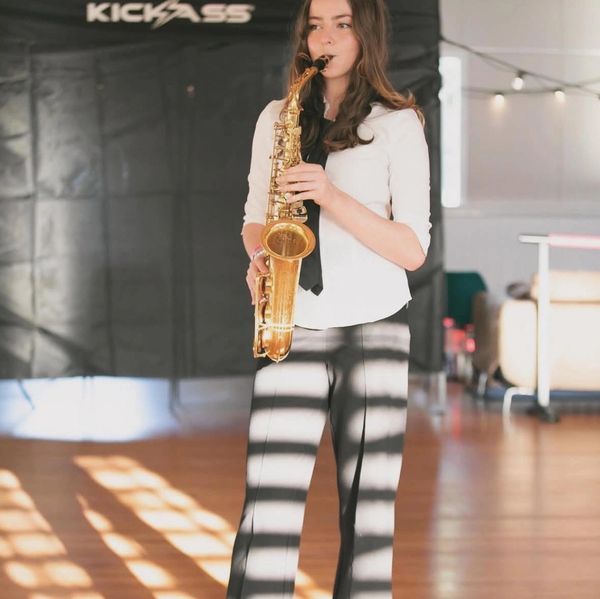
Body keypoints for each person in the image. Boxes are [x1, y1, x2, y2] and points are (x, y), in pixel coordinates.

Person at [227, 0, 431, 596]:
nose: (326, 37)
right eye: (315, 25)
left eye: (342, 24)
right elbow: (253, 217)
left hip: (375, 326)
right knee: (267, 506)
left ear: (366, 34)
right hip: (292, 318)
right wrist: (259, 256)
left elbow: (412, 249)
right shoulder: (278, 116)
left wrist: (331, 196)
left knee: (369, 509)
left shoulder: (399, 123)